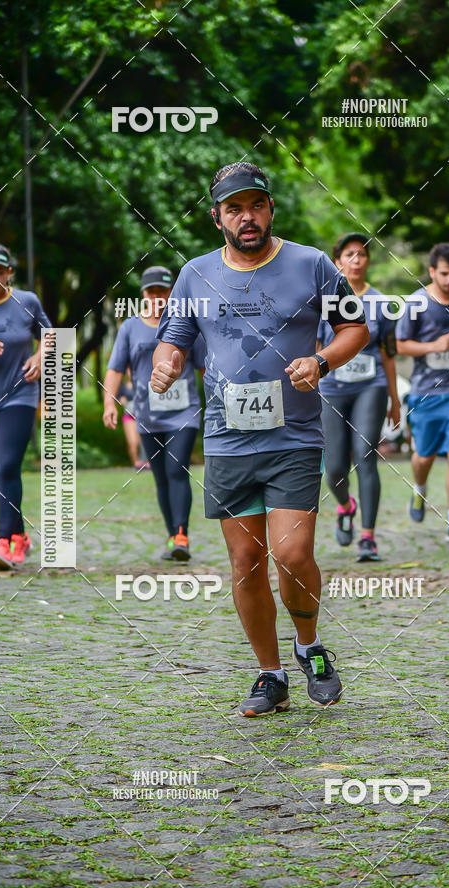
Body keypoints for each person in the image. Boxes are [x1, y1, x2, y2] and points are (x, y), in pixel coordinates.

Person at [151, 161, 369, 716]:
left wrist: (319, 361)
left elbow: (355, 328)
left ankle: (309, 645)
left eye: (255, 205)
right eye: (233, 209)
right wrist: (167, 364)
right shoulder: (195, 274)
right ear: (216, 218)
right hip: (226, 441)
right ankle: (270, 675)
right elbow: (173, 338)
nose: (246, 217)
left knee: (292, 554)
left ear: (270, 208)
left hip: (294, 435)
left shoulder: (312, 265)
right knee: (246, 561)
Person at [103, 266, 204, 561]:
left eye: (163, 290)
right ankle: (173, 535)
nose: (158, 296)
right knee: (161, 477)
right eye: (152, 291)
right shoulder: (130, 328)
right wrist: (110, 404)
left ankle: (182, 534)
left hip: (183, 411)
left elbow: (204, 366)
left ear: (172, 292)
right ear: (143, 294)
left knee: (176, 469)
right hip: (147, 414)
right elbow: (116, 369)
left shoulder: (186, 323)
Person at [317, 233, 400, 562]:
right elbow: (314, 347)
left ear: (368, 262)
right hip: (333, 387)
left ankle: (368, 536)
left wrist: (394, 398)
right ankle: (345, 506)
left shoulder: (381, 302)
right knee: (335, 467)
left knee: (365, 454)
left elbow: (389, 353)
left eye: (361, 254)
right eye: (349, 254)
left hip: (372, 385)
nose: (356, 259)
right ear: (337, 261)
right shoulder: (325, 300)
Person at [0, 243, 51, 569]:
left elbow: (50, 334)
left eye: (0, 271)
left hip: (20, 395)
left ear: (9, 273)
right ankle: (19, 534)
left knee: (6, 466)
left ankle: (5, 542)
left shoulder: (26, 301)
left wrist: (40, 356)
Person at [396, 242, 449, 543]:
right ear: (431, 271)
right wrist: (434, 346)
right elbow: (400, 345)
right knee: (423, 457)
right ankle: (419, 489)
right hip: (426, 392)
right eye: (444, 273)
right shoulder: (416, 302)